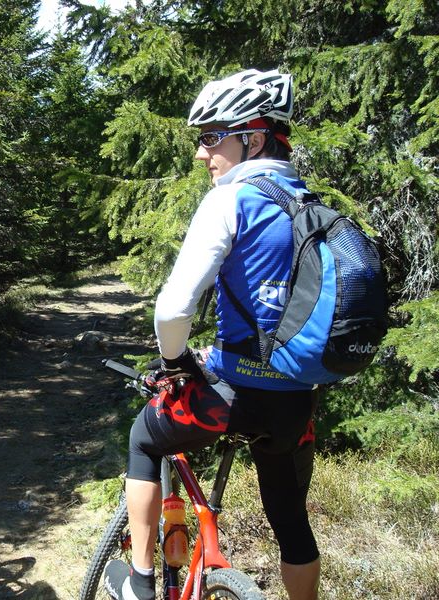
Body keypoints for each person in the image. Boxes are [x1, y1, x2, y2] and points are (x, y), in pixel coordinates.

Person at [103, 70, 320, 600]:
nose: (202, 153)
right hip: (295, 404)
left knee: (143, 439)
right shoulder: (312, 206)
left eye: (211, 137)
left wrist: (176, 360)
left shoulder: (231, 199)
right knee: (292, 524)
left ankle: (141, 582)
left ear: (254, 140)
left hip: (232, 398)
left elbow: (173, 309)